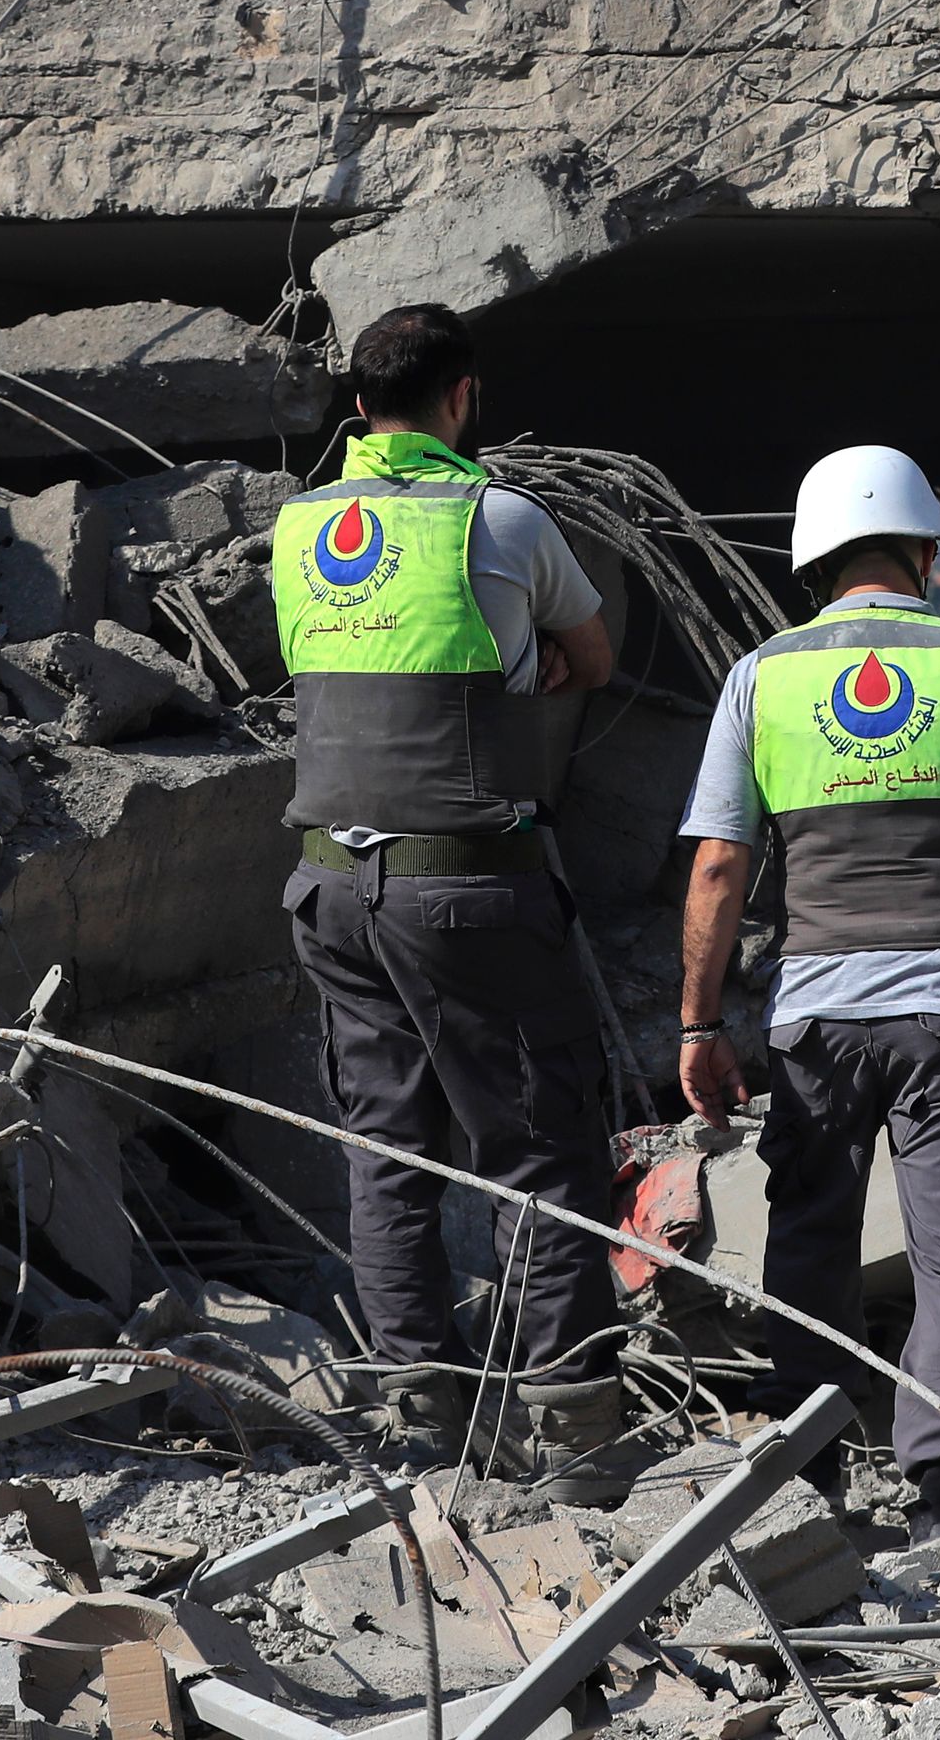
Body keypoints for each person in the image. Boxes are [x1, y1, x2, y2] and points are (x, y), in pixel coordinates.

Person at [674, 445, 940, 1568]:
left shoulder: (762, 675)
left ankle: (807, 1478)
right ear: (925, 549)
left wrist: (697, 1023)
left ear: (815, 558)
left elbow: (720, 865)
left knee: (811, 1239)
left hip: (816, 1012)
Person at [270, 302, 626, 1477]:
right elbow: (595, 653)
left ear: (358, 407)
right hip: (469, 887)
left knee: (388, 1148)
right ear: (463, 398)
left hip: (330, 887)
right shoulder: (503, 518)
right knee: (540, 1145)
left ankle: (419, 1425)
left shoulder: (299, 529)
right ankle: (570, 1432)